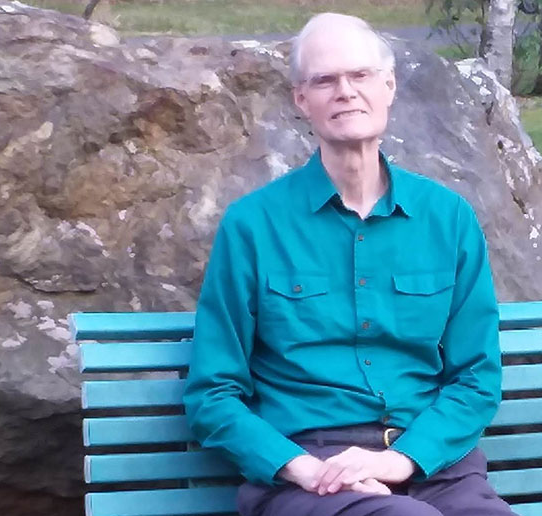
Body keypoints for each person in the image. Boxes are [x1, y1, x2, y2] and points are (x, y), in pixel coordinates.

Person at [182, 12, 517, 516]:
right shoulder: (253, 225)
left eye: (360, 76)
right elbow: (213, 393)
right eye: (324, 80)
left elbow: (476, 377)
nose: (345, 91)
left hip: (433, 466)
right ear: (302, 100)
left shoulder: (447, 219)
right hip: (310, 472)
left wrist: (401, 460)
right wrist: (305, 469)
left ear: (388, 87)